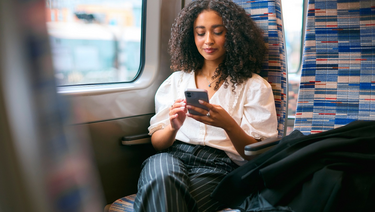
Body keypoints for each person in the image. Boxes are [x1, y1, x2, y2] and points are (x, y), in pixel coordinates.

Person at [133, 0, 278, 211]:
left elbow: (257, 154)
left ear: (234, 35)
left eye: (218, 32)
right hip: (171, 156)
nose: (208, 40)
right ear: (191, 37)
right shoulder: (176, 81)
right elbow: (158, 144)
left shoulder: (255, 86)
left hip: (218, 167)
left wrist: (228, 125)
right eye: (200, 33)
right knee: (161, 177)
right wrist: (173, 127)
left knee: (165, 198)